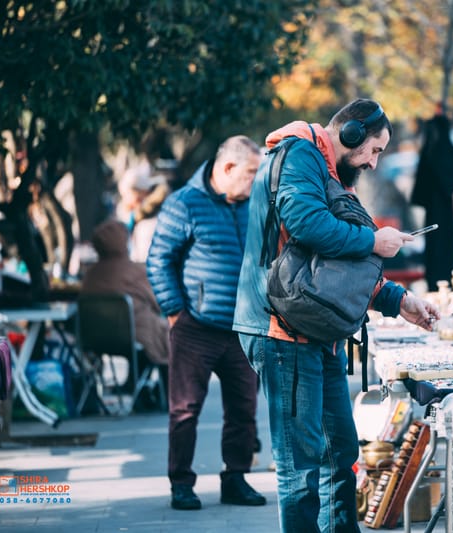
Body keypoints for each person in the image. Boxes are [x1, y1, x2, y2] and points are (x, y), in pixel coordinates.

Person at [233, 99, 439, 532]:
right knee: (302, 467)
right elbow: (308, 225)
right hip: (281, 333)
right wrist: (373, 242)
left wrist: (398, 300)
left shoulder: (325, 169)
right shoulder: (300, 154)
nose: (373, 162)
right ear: (350, 135)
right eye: (373, 150)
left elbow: (333, 270)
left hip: (313, 332)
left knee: (338, 456)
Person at [146, 135, 265, 511]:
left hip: (243, 328)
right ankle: (181, 483)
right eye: (250, 172)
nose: (255, 180)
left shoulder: (253, 204)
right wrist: (176, 311)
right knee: (185, 409)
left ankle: (236, 478)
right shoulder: (184, 203)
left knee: (244, 409)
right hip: (195, 326)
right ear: (227, 168)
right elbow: (158, 261)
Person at [81, 218, 169, 373]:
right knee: (171, 337)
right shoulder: (136, 271)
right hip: (134, 336)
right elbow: (159, 302)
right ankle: (162, 393)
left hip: (94, 339)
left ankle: (137, 386)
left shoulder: (90, 274)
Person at [410, 110, 453, 291]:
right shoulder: (443, 147)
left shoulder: (430, 148)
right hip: (442, 209)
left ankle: (437, 283)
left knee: (437, 247)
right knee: (442, 247)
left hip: (435, 209)